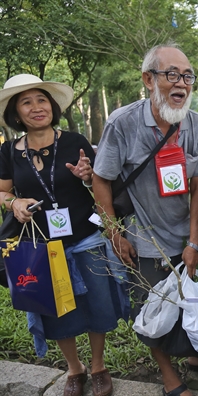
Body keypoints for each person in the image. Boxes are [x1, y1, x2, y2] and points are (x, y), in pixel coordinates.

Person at [92, 44, 198, 396]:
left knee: (193, 301)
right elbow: (101, 178)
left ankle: (197, 359)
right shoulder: (123, 123)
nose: (181, 83)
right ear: (148, 79)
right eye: (171, 74)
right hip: (144, 238)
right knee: (152, 308)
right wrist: (115, 235)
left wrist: (194, 242)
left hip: (186, 233)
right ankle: (169, 377)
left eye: (187, 76)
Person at [0, 74, 126, 396]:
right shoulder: (9, 151)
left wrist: (87, 176)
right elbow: (1, 193)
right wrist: (14, 202)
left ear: (52, 106)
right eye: (26, 102)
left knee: (98, 303)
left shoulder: (74, 141)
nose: (36, 107)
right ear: (16, 113)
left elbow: (100, 184)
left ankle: (98, 366)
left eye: (41, 100)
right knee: (56, 311)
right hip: (42, 247)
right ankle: (75, 369)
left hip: (87, 238)